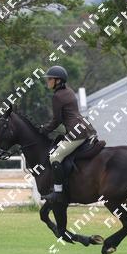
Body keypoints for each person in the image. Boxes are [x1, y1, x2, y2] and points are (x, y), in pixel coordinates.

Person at [38, 66, 99, 203]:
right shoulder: (69, 91)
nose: (48, 81)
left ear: (58, 81)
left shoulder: (57, 96)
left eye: (50, 79)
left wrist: (43, 129)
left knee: (54, 157)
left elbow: (56, 120)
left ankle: (58, 191)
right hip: (85, 128)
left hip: (75, 133)